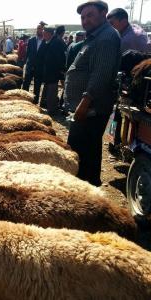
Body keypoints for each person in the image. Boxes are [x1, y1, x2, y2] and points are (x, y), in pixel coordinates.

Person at [65, 0, 121, 186]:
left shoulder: (106, 38)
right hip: (88, 107)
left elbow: (101, 74)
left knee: (81, 150)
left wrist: (84, 102)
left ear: (103, 12)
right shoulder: (96, 36)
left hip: (92, 108)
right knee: (88, 150)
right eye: (82, 17)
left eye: (90, 15)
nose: (85, 20)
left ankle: (83, 189)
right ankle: (89, 185)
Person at [41, 26, 66, 115]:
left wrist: (61, 70)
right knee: (48, 88)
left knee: (52, 89)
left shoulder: (56, 42)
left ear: (49, 33)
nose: (43, 35)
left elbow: (60, 58)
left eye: (44, 33)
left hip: (53, 71)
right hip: (48, 70)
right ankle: (46, 105)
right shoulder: (49, 41)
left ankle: (52, 109)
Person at [22, 23, 47, 104]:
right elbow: (28, 53)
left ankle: (34, 103)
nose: (39, 30)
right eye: (38, 28)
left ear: (44, 30)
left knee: (37, 86)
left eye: (41, 29)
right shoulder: (31, 40)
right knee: (26, 84)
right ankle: (24, 101)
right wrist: (26, 64)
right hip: (30, 67)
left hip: (39, 68)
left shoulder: (46, 42)